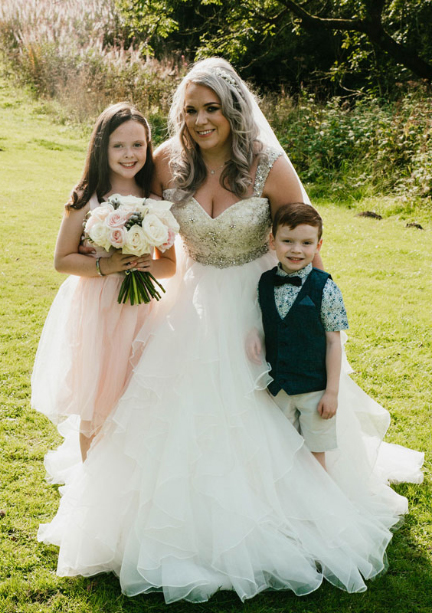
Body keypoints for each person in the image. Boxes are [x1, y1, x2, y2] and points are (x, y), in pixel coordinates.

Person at [36, 58, 424, 602]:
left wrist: (295, 313)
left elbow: (305, 239)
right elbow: (133, 204)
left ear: (233, 109)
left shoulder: (266, 164)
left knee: (270, 404)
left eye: (211, 108)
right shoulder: (168, 161)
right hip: (189, 303)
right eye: (190, 109)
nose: (200, 120)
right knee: (169, 409)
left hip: (257, 302)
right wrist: (107, 233)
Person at [31, 103, 177, 463]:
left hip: (144, 312)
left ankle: (126, 477)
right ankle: (91, 482)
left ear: (148, 146)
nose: (129, 155)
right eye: (118, 146)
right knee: (96, 401)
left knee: (136, 397)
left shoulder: (155, 200)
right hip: (98, 310)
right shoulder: (86, 196)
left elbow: (170, 266)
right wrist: (107, 265)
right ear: (101, 147)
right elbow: (62, 259)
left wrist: (146, 266)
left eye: (138, 145)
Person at [249, 203, 346, 471]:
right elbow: (263, 320)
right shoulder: (264, 282)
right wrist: (253, 334)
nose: (296, 249)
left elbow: (333, 341)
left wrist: (332, 392)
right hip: (278, 387)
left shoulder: (325, 286)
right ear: (272, 241)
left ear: (318, 245)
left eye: (306, 243)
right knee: (282, 450)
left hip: (315, 390)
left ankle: (321, 505)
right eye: (287, 241)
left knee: (315, 453)